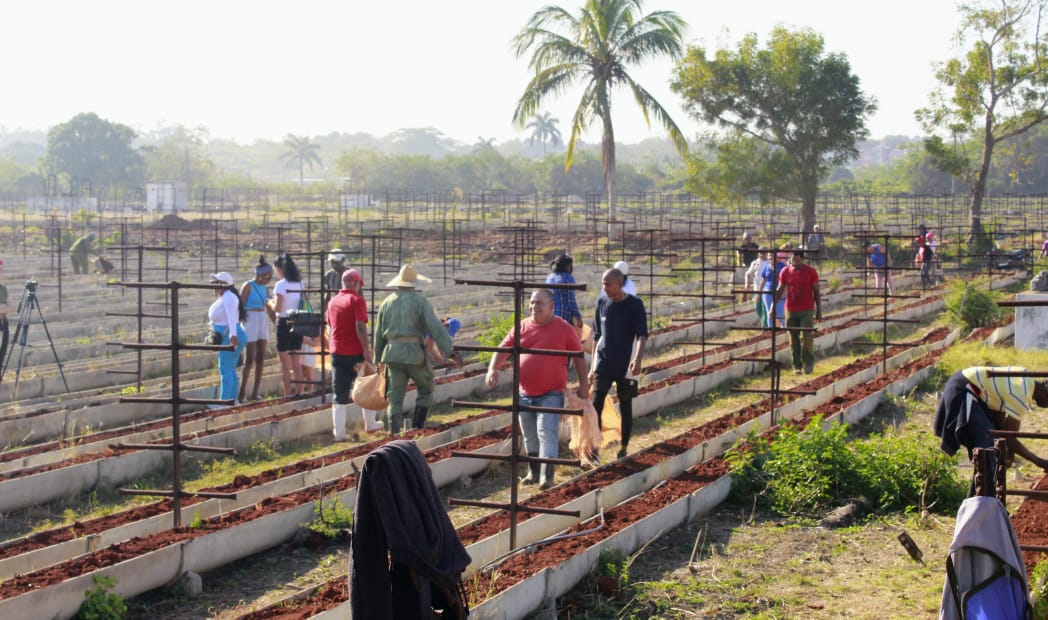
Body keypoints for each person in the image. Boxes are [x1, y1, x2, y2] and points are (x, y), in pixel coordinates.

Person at [486, 289, 589, 489]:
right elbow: (503, 348)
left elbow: (578, 357)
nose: (534, 307)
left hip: (552, 392)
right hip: (524, 392)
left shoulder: (563, 328)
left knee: (546, 433)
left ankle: (546, 477)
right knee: (529, 435)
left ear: (551, 306)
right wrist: (492, 369)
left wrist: (584, 385)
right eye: (532, 303)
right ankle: (533, 473)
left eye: (539, 303)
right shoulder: (522, 326)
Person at [934, 367, 1048, 495]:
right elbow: (1010, 436)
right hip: (966, 390)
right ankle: (978, 504)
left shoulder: (1026, 377)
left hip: (971, 388)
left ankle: (984, 501)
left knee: (992, 451)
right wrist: (1040, 462)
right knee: (988, 451)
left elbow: (999, 412)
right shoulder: (1022, 394)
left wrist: (1007, 451)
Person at [374, 264, 452, 435]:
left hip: (392, 354)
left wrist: (377, 360)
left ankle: (393, 433)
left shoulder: (386, 303)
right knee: (426, 387)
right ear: (413, 284)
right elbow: (435, 328)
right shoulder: (420, 301)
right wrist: (450, 351)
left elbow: (378, 334)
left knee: (395, 395)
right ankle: (418, 428)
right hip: (414, 354)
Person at [591, 269, 648, 460]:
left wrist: (637, 359)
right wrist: (592, 366)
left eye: (608, 284)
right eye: (603, 283)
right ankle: (595, 448)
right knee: (595, 404)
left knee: (625, 406)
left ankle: (623, 447)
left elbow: (642, 335)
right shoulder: (602, 303)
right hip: (604, 361)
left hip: (626, 364)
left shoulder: (634, 305)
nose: (604, 287)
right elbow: (597, 336)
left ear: (619, 284)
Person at [327, 268, 379, 438]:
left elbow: (330, 325)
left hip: (337, 352)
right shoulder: (357, 300)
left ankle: (339, 433)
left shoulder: (332, 302)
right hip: (355, 353)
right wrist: (366, 350)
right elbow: (360, 326)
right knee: (367, 387)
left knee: (339, 393)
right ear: (355, 283)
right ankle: (371, 425)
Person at [774, 249, 822, 374]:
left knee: (807, 335)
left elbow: (816, 292)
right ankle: (796, 365)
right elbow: (780, 289)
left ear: (802, 259)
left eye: (797, 261)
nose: (794, 263)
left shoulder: (811, 272)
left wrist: (819, 311)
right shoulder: (785, 271)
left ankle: (809, 363)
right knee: (793, 337)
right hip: (790, 309)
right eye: (792, 261)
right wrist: (773, 306)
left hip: (806, 309)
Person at [208, 271, 247, 405]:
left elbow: (231, 317)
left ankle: (224, 402)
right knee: (230, 368)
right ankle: (232, 400)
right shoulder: (226, 297)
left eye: (216, 282)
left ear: (224, 284)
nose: (213, 285)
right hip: (230, 335)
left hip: (229, 337)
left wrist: (233, 336)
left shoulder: (229, 297)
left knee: (225, 369)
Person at [238, 256, 273, 402]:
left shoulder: (264, 288)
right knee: (250, 358)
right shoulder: (248, 286)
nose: (269, 279)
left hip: (261, 318)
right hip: (250, 318)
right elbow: (240, 306)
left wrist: (274, 321)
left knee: (260, 358)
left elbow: (268, 306)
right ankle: (241, 392)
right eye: (268, 276)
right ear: (261, 275)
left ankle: (255, 392)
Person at [269, 254, 305, 396]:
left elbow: (278, 308)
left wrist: (270, 303)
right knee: (296, 362)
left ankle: (287, 394)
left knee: (285, 364)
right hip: (297, 322)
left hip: (283, 322)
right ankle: (300, 393)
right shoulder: (300, 284)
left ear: (280, 269)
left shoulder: (281, 285)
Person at [546, 254, 583, 329]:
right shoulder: (567, 278)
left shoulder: (550, 277)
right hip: (563, 314)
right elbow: (571, 300)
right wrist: (577, 316)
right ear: (567, 266)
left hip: (549, 313)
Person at [759, 248, 788, 328]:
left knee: (780, 312)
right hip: (767, 293)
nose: (770, 257)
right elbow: (763, 281)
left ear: (776, 257)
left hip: (779, 293)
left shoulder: (782, 266)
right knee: (770, 313)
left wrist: (785, 291)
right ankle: (771, 330)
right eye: (769, 256)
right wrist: (759, 294)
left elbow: (786, 280)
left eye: (772, 256)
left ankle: (785, 328)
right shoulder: (766, 268)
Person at [744, 249, 769, 326]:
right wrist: (747, 284)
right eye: (761, 252)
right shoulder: (755, 263)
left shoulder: (769, 262)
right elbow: (748, 273)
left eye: (764, 252)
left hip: (767, 289)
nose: (762, 254)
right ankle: (763, 321)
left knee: (765, 308)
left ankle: (765, 326)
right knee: (758, 308)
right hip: (757, 289)